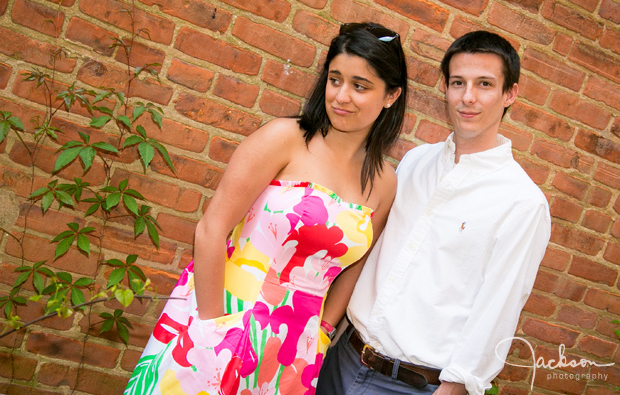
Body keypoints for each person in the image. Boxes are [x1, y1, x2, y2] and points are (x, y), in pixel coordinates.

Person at [124, 22, 408, 395]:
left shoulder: (384, 182)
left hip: (293, 351)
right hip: (222, 318)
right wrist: (212, 329)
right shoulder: (284, 138)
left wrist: (322, 332)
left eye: (360, 86)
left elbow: (354, 266)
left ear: (391, 96)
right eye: (335, 79)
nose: (341, 96)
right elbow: (211, 230)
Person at [316, 31, 551, 395]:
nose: (468, 97)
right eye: (458, 82)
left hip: (412, 386)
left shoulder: (522, 202)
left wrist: (455, 387)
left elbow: (498, 310)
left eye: (484, 84)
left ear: (510, 94)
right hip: (343, 359)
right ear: (446, 87)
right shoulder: (415, 161)